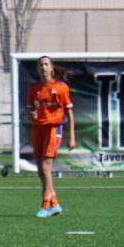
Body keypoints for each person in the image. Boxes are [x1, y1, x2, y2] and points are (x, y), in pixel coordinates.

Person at [26, 55, 75, 218]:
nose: (43, 67)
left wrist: (72, 136)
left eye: (46, 64)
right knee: (41, 170)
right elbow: (30, 110)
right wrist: (31, 114)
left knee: (46, 168)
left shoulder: (61, 87)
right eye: (41, 65)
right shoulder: (34, 89)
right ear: (37, 69)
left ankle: (45, 205)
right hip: (37, 129)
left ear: (51, 68)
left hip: (54, 129)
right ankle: (55, 204)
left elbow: (69, 112)